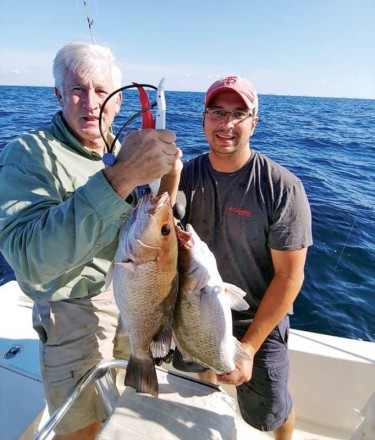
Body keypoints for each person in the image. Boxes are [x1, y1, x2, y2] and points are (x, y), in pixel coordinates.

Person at [0, 42, 181, 440]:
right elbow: (30, 260)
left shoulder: (125, 149)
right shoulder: (28, 154)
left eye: (102, 91)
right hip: (70, 309)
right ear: (59, 94)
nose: (91, 102)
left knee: (131, 405)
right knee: (80, 425)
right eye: (78, 89)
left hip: (128, 294)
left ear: (117, 102)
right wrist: (118, 180)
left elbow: (156, 224)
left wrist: (169, 179)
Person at [176, 75, 313, 439]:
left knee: (271, 412)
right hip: (194, 306)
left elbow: (290, 278)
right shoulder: (184, 176)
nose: (227, 124)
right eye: (218, 112)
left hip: (257, 320)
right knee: (201, 381)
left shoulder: (282, 187)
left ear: (255, 121)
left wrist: (249, 348)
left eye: (239, 113)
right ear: (203, 117)